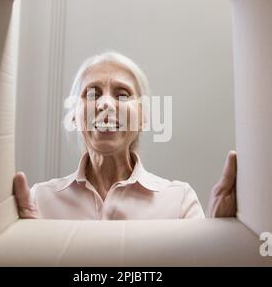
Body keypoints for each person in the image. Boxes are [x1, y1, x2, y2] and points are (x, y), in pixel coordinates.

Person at [13, 52, 237, 219]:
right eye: (92, 93)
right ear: (74, 117)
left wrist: (217, 238)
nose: (106, 104)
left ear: (143, 118)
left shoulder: (179, 201)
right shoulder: (40, 200)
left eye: (122, 94)